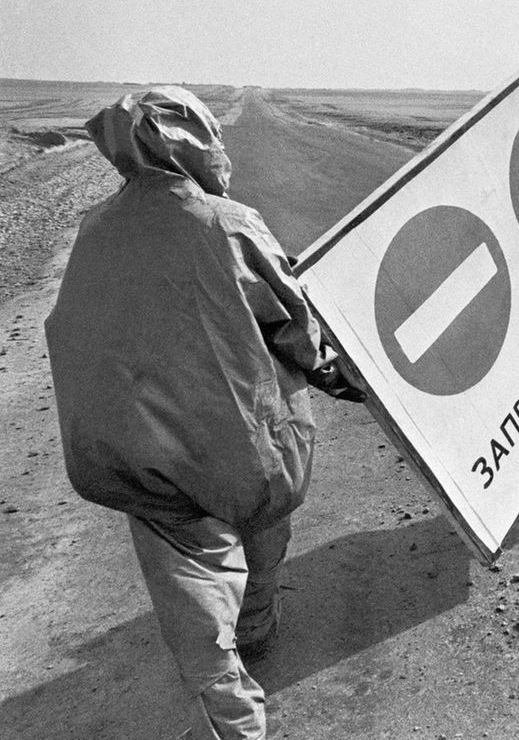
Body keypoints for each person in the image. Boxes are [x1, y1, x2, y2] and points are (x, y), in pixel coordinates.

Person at [44, 86, 364, 740]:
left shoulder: (94, 228)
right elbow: (296, 326)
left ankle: (235, 716)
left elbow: (75, 327)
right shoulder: (228, 222)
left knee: (195, 609)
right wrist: (340, 378)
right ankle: (257, 630)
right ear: (193, 143)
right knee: (264, 539)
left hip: (144, 458)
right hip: (245, 447)